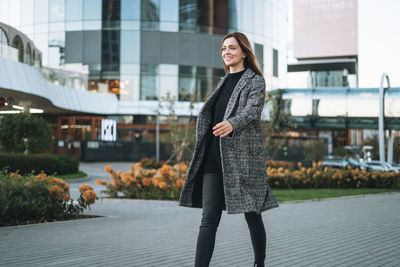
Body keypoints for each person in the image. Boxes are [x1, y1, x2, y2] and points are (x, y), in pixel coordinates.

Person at [179, 32, 279, 267]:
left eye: (232, 48)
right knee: (208, 219)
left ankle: (259, 263)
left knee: (253, 215)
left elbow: (252, 111)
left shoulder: (255, 81)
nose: (226, 52)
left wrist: (233, 123)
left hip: (243, 161)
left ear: (244, 52)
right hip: (214, 160)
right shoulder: (222, 82)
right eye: (224, 48)